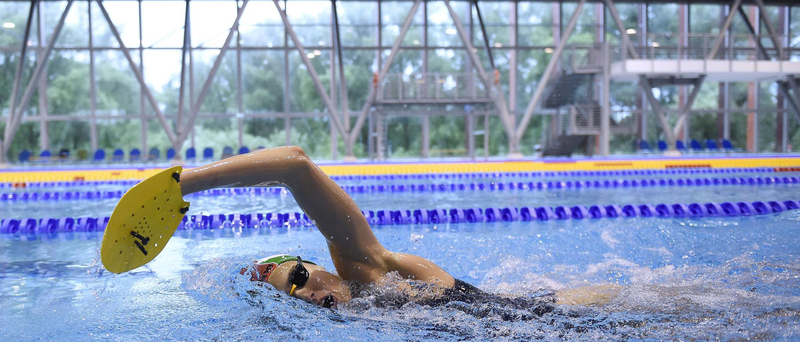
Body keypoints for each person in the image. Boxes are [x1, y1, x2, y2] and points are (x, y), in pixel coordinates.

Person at [178, 146, 616, 310]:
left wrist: (185, 182)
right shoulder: (351, 318)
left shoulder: (373, 272)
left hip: (563, 316)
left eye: (298, 278)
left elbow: (295, 165)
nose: (307, 294)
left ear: (316, 263)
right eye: (295, 299)